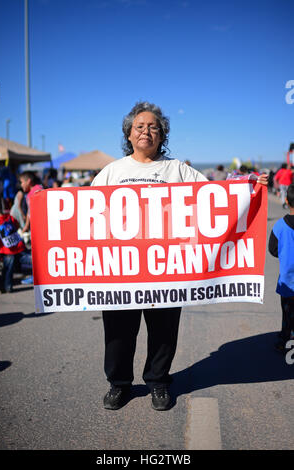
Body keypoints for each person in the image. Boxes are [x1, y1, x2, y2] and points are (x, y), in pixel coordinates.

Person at [91, 101, 268, 411]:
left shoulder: (178, 170)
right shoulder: (112, 171)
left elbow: (216, 197)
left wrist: (247, 185)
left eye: (154, 127)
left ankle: (158, 381)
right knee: (118, 333)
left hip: (167, 270)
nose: (146, 131)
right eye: (140, 126)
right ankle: (119, 384)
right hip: (120, 272)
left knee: (163, 331)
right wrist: (42, 203)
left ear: (163, 136)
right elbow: (85, 211)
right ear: (129, 135)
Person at [269, 184, 294, 353]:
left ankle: (285, 340)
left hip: (288, 281)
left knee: (288, 314)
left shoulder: (280, 225)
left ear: (286, 200)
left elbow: (273, 249)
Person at [0, 197, 32, 293]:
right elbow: (17, 224)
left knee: (8, 270)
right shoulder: (8, 216)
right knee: (29, 259)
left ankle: (8, 287)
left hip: (7, 250)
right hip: (18, 245)